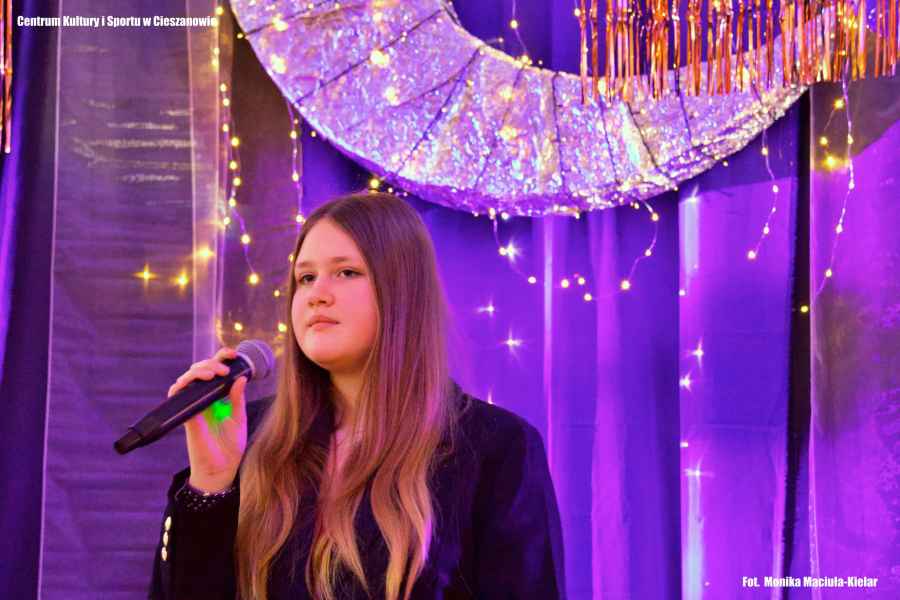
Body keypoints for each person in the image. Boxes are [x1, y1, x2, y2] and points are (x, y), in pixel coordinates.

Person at [148, 192, 566, 600]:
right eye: (305, 278)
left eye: (346, 272)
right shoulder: (246, 434)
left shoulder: (494, 448)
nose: (317, 294)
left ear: (402, 291)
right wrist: (210, 486)